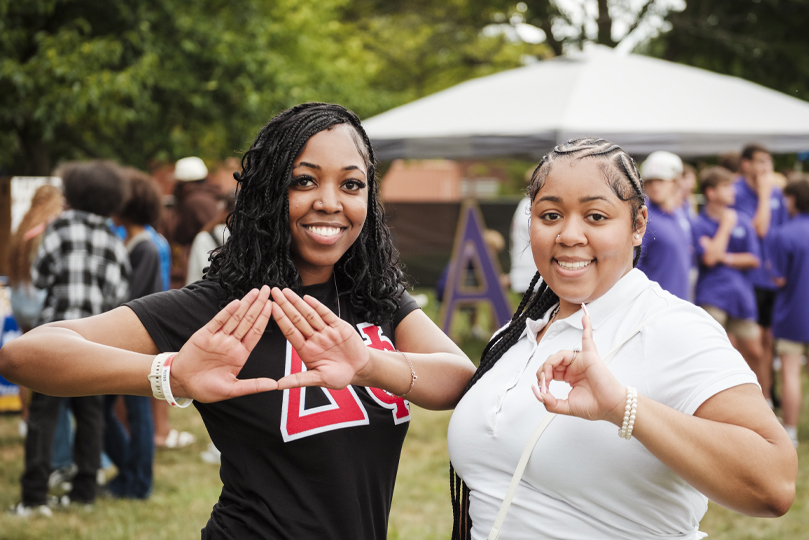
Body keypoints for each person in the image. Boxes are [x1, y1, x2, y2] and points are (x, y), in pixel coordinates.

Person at [0, 103, 475, 538]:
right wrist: (171, 375)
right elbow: (25, 356)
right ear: (269, 192)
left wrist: (370, 364)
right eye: (304, 181)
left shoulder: (375, 298)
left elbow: (459, 381)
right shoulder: (225, 307)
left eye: (351, 184)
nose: (330, 201)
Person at [447, 138, 796, 540]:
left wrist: (623, 407)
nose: (569, 234)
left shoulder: (672, 327)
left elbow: (775, 484)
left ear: (638, 225)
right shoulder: (513, 337)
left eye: (595, 216)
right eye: (550, 215)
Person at [12, 161, 130, 517]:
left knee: (43, 418)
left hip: (54, 337)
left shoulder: (58, 228)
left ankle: (34, 497)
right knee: (91, 418)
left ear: (73, 192)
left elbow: (42, 275)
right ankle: (85, 491)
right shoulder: (113, 240)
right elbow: (119, 295)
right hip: (94, 342)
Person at [105, 169, 165, 499]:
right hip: (129, 343)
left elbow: (135, 300)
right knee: (107, 411)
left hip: (137, 344)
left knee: (138, 413)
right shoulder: (133, 243)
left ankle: (138, 482)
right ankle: (128, 474)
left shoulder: (145, 247)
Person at [692, 167, 763, 380]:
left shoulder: (743, 220)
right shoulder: (699, 223)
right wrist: (726, 225)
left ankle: (764, 398)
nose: (733, 191)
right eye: (726, 186)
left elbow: (753, 259)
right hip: (712, 295)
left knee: (754, 351)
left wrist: (724, 256)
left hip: (741, 295)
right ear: (711, 192)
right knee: (715, 354)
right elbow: (709, 259)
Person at [731, 144, 789, 405]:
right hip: (751, 279)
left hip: (775, 277)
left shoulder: (778, 193)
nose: (766, 168)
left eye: (769, 162)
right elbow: (759, 230)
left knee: (770, 340)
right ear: (746, 164)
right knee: (752, 344)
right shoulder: (737, 193)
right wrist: (764, 197)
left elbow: (783, 233)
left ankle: (768, 393)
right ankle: (755, 395)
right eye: (761, 162)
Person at [6, 185, 64, 429]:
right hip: (39, 301)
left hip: (19, 300)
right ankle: (43, 421)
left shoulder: (21, 230)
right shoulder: (49, 228)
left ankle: (26, 417)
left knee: (22, 363)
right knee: (44, 364)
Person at [769, 176, 809, 447]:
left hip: (794, 313)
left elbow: (779, 278)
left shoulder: (784, 234)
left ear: (792, 199)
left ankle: (791, 432)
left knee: (791, 373)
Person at [636, 151, 692, 301]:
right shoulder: (641, 217)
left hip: (679, 303)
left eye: (661, 180)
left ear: (676, 182)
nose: (654, 186)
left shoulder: (681, 214)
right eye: (650, 181)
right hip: (652, 307)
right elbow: (632, 267)